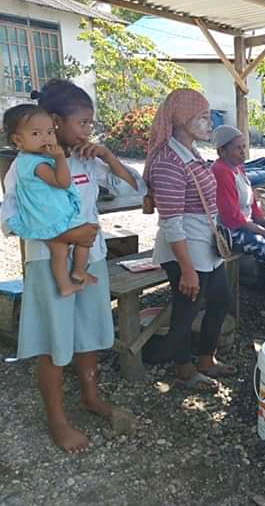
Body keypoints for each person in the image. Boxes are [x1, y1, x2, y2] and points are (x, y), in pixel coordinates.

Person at [0, 79, 144, 453]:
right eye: (82, 122)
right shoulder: (25, 166)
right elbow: (9, 219)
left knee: (87, 333)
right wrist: (63, 237)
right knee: (53, 341)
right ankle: (57, 419)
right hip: (48, 263)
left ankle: (90, 398)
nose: (87, 130)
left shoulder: (86, 159)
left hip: (89, 258)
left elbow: (136, 189)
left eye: (90, 123)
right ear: (55, 121)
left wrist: (108, 156)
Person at [144, 89, 234, 393]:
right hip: (186, 249)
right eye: (204, 117)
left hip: (204, 244)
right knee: (186, 311)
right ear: (182, 119)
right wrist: (186, 269)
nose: (211, 123)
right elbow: (171, 222)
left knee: (221, 299)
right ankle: (183, 370)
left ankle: (206, 359)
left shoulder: (190, 152)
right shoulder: (169, 162)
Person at [3, 104, 100, 296]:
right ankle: (79, 271)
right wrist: (60, 158)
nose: (46, 138)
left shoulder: (23, 160)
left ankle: (64, 285)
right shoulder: (37, 163)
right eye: (36, 133)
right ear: (18, 140)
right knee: (87, 236)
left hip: (42, 218)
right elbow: (62, 182)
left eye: (49, 132)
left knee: (59, 252)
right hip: (55, 217)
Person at [211, 124, 265, 284]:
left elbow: (253, 207)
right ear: (222, 151)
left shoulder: (238, 168)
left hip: (246, 225)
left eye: (244, 147)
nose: (243, 152)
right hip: (230, 232)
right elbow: (233, 217)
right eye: (238, 148)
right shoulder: (220, 171)